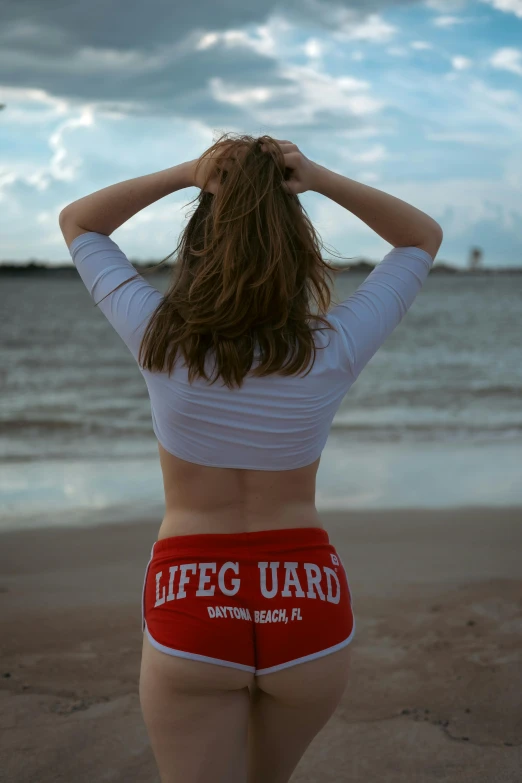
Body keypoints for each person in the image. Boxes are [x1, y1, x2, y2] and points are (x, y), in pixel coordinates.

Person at [59, 134, 443, 783]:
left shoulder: (161, 340)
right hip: (308, 602)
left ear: (199, 246)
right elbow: (420, 238)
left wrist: (190, 173)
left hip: (194, 597)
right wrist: (318, 178)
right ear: (299, 251)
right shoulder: (331, 349)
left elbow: (80, 222)